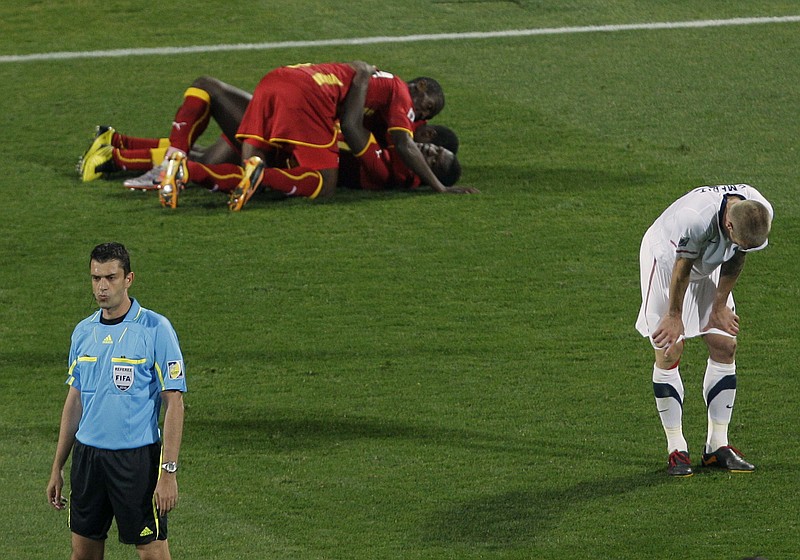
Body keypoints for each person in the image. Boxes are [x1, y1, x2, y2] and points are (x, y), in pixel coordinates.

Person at [46, 242, 187, 559]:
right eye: (96, 278)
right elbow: (75, 400)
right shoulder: (83, 331)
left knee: (152, 552)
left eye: (110, 277)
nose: (102, 287)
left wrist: (168, 472)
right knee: (83, 553)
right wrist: (58, 467)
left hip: (135, 461)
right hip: (88, 459)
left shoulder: (155, 329)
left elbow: (174, 403)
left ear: (129, 279)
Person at [636, 184, 773, 477]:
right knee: (670, 347)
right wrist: (674, 315)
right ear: (728, 224)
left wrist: (720, 305)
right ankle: (676, 448)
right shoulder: (695, 218)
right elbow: (682, 267)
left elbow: (738, 254)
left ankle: (717, 447)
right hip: (667, 260)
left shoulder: (757, 213)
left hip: (711, 257)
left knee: (725, 344)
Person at [229, 61, 474, 211]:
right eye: (429, 107)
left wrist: (363, 77)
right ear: (420, 87)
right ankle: (262, 177)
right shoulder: (400, 96)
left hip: (288, 80)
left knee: (228, 160)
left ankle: (191, 164)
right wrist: (439, 187)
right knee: (324, 184)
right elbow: (363, 130)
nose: (422, 114)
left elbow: (360, 127)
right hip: (308, 103)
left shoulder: (386, 105)